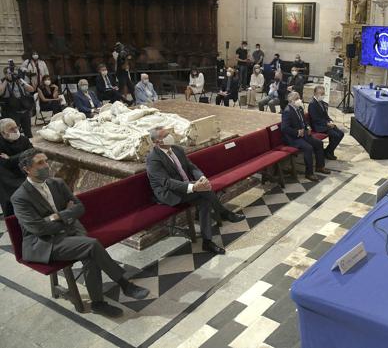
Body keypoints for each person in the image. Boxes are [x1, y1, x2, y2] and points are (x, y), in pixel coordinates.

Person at [11, 149, 150, 317]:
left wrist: (57, 216)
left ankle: (98, 303)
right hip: (45, 243)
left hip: (69, 232)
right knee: (92, 245)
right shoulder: (20, 197)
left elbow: (79, 208)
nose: (46, 166)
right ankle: (125, 284)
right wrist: (66, 217)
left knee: (90, 256)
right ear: (27, 169)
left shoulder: (57, 183)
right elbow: (38, 229)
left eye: (46, 161)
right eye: (40, 163)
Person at [146, 127, 245, 254]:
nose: (170, 136)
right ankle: (224, 213)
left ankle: (207, 242)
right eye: (165, 135)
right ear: (158, 142)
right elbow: (167, 182)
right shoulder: (153, 159)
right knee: (205, 192)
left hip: (186, 186)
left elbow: (192, 167)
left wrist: (202, 178)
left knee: (205, 201)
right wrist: (193, 187)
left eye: (168, 133)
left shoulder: (177, 149)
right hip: (169, 193)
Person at [281, 92, 330, 181]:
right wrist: (297, 132)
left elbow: (304, 121)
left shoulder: (299, 108)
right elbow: (284, 128)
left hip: (304, 134)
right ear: (291, 101)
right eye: (297, 99)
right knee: (308, 148)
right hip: (293, 138)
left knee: (319, 143)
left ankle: (320, 167)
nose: (300, 100)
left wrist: (308, 127)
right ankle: (309, 173)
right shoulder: (287, 111)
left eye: (299, 98)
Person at [0, 118, 32, 216]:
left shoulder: (23, 139)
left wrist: (10, 159)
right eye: (11, 129)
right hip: (7, 175)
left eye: (16, 127)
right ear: (3, 133)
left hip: (25, 170)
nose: (15, 131)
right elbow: (4, 163)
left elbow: (32, 153)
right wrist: (22, 155)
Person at [308, 86, 344, 160]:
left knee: (341, 133)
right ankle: (328, 152)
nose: (322, 95)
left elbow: (325, 115)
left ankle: (328, 151)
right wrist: (326, 123)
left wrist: (330, 121)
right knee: (336, 136)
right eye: (320, 94)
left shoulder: (321, 103)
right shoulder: (312, 104)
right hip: (318, 126)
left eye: (323, 94)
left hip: (325, 124)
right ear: (315, 93)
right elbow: (315, 119)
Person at [0, 66, 35, 138]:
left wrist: (21, 81)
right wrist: (6, 80)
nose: (13, 75)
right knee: (14, 133)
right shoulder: (2, 81)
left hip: (24, 110)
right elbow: (0, 92)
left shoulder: (20, 80)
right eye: (10, 73)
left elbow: (32, 89)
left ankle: (29, 146)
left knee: (28, 133)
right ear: (5, 74)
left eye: (15, 73)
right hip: (11, 111)